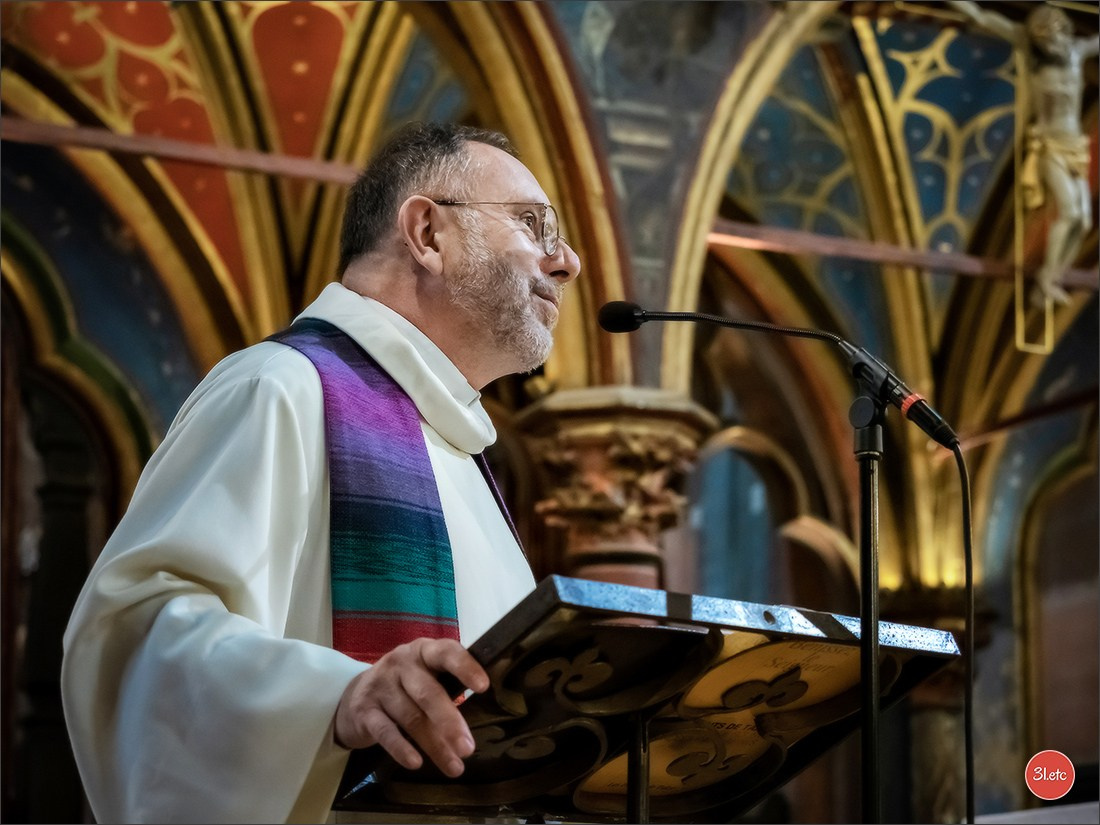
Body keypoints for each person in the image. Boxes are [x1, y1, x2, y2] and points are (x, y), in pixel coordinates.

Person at [60, 122, 582, 823]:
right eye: (532, 224)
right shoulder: (282, 387)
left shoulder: (460, 453)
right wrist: (338, 697)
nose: (568, 261)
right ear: (428, 233)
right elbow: (140, 643)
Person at [949, 1, 1099, 305]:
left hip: (1075, 146)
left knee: (1082, 221)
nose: (1053, 42)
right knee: (1068, 211)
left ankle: (1053, 277)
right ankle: (1045, 279)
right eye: (1045, 38)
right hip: (1049, 146)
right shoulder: (1031, 54)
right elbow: (982, 17)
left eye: (1058, 34)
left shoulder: (1076, 52)